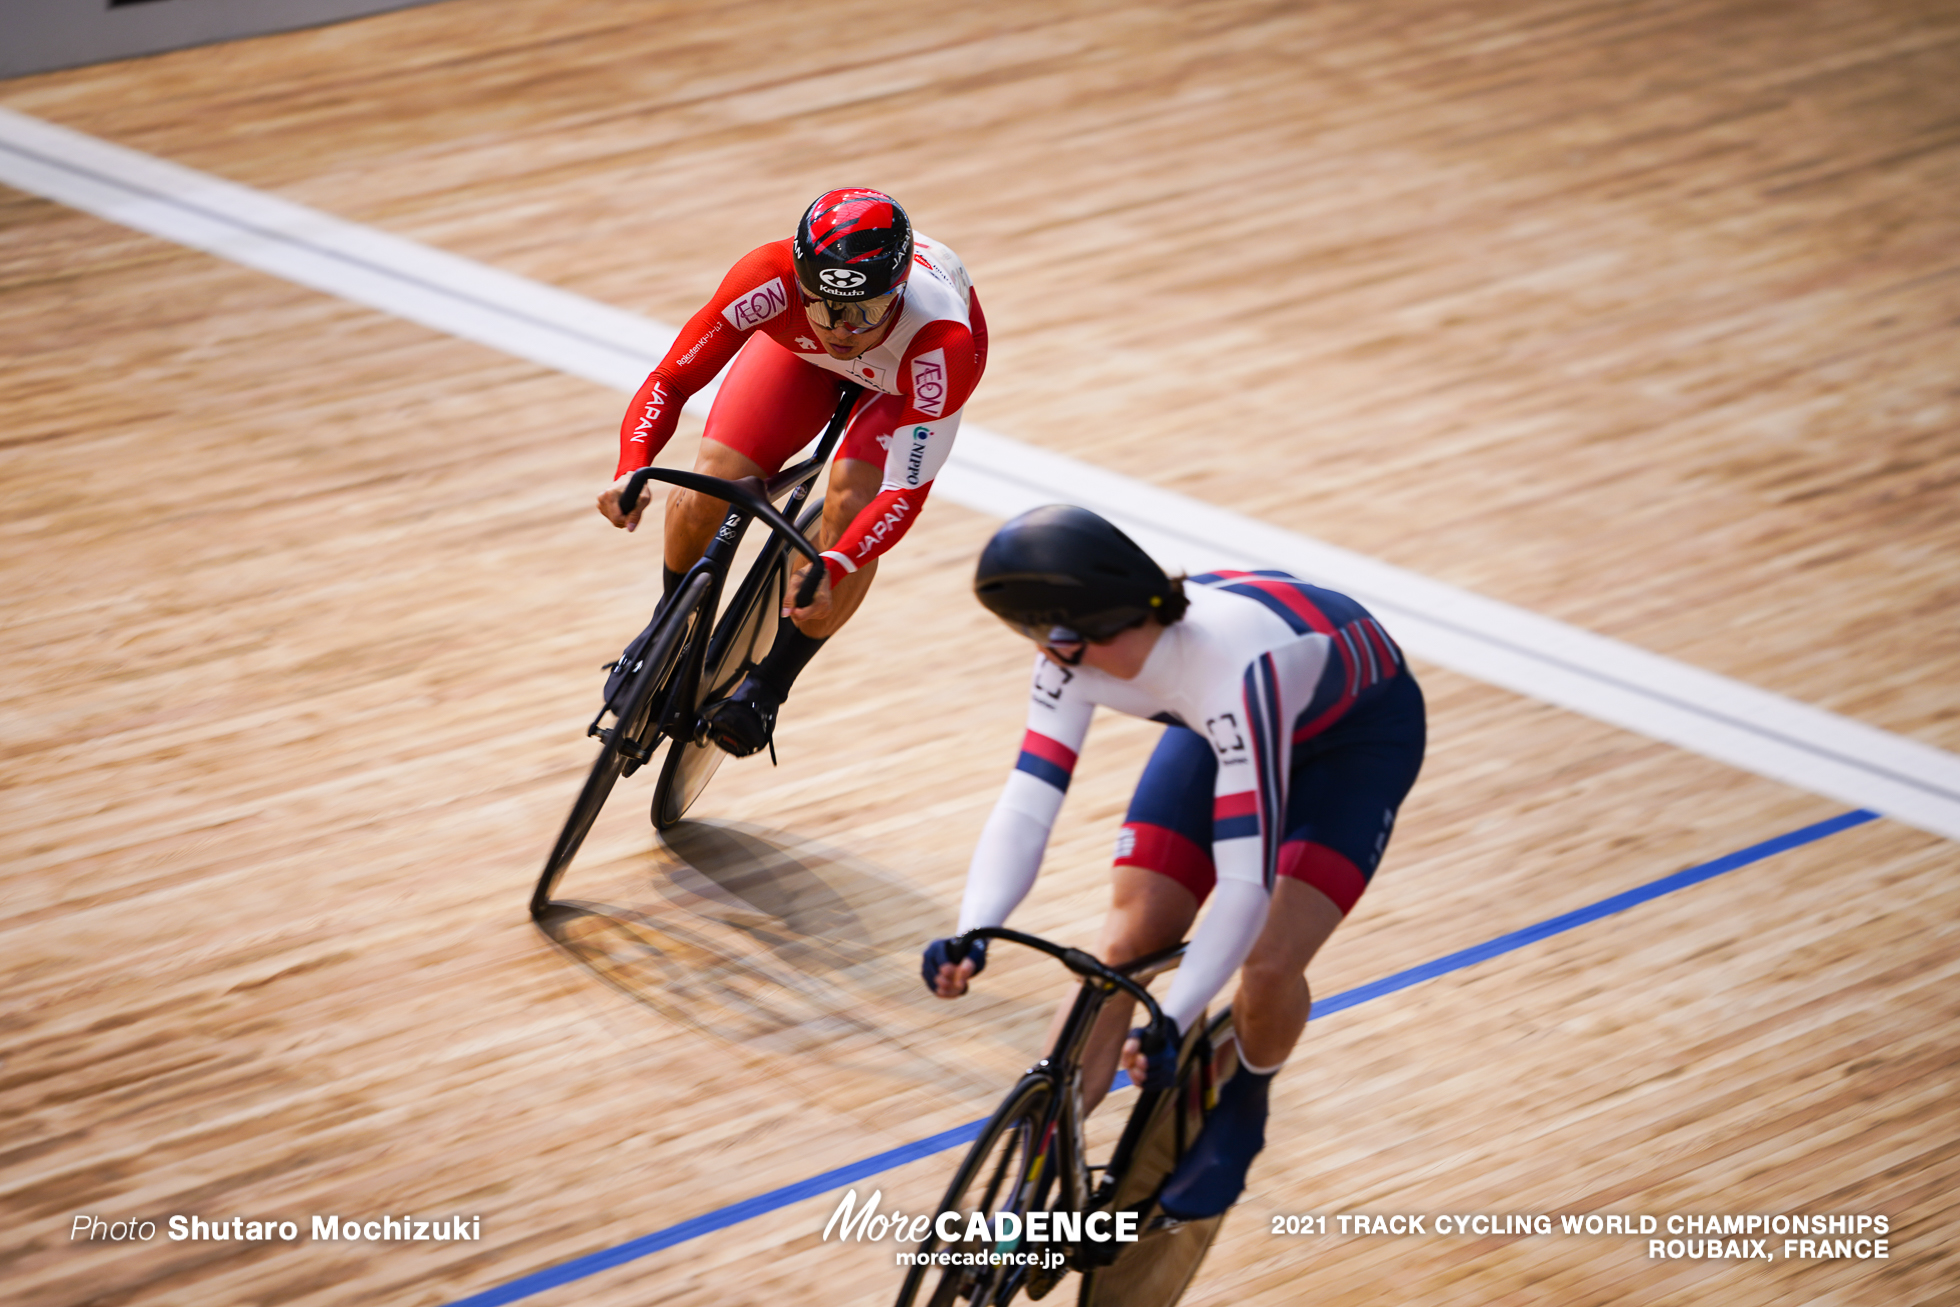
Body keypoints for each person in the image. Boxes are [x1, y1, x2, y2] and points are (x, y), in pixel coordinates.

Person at [923, 505, 1425, 1219]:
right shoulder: (1076, 654)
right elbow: (1029, 803)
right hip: (1221, 724)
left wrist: (1177, 1013)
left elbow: (1244, 884)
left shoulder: (1230, 672)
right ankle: (1035, 1169)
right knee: (1128, 940)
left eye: (1057, 636)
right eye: (1034, 634)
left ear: (1112, 621)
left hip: (1353, 744)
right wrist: (975, 925)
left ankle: (1245, 1101)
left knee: (1270, 959)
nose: (1047, 652)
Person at [597, 188, 986, 756]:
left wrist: (839, 560)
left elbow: (904, 493)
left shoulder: (942, 343)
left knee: (852, 504)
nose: (843, 330)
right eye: (823, 305)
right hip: (798, 359)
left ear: (899, 294)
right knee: (715, 479)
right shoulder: (768, 277)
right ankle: (668, 626)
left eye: (865, 311)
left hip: (900, 382)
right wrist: (631, 468)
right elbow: (671, 381)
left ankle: (768, 687)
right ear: (801, 282)